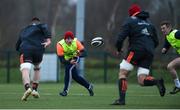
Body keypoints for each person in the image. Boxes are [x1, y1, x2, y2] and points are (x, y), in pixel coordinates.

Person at [112, 4, 166, 105]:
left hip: (136, 50)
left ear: (131, 14)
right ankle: (157, 81)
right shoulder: (150, 24)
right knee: (142, 80)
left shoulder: (130, 20)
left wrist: (119, 49)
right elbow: (156, 41)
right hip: (149, 52)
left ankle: (121, 100)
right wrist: (147, 49)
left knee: (123, 73)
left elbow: (120, 38)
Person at [16, 17, 51, 101]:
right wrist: (49, 40)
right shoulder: (41, 26)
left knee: (25, 69)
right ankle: (35, 90)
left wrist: (20, 51)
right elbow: (45, 27)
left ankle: (28, 88)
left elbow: (17, 45)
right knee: (37, 67)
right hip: (38, 50)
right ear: (38, 22)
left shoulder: (24, 30)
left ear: (31, 23)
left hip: (26, 49)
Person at [56, 31, 94, 96]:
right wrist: (69, 62)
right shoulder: (60, 44)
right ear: (65, 39)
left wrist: (78, 54)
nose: (69, 40)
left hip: (75, 57)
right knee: (76, 77)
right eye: (68, 39)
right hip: (67, 60)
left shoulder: (76, 42)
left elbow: (85, 53)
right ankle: (89, 86)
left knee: (68, 69)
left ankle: (65, 91)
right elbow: (62, 60)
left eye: (71, 38)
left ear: (73, 39)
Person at [160, 21, 180, 94]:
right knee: (170, 66)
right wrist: (164, 49)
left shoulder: (176, 33)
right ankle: (178, 85)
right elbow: (167, 44)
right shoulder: (168, 36)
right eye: (161, 29)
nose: (162, 30)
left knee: (170, 66)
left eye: (164, 28)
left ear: (169, 27)